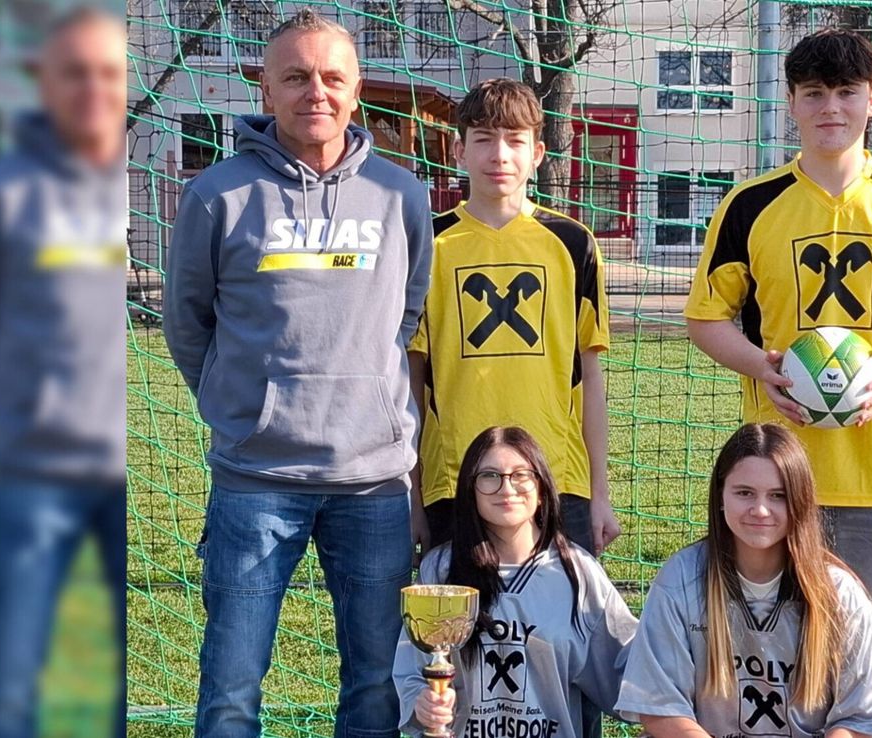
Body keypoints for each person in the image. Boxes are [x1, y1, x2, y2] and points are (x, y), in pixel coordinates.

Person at [682, 29, 872, 738]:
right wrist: (763, 365)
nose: (830, 108)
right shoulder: (753, 204)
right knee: (784, 663)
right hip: (778, 481)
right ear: (791, 103)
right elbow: (705, 317)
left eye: (846, 92)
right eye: (813, 94)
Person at [161, 8, 433, 737]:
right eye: (296, 76)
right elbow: (188, 324)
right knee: (229, 689)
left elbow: (404, 318)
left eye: (332, 77)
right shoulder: (216, 194)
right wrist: (245, 404)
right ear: (267, 88)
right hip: (256, 481)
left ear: (355, 90)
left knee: (375, 686)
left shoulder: (402, 196)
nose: (316, 91)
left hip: (372, 483)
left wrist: (365, 397)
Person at [0, 8, 128, 738]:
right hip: (32, 470)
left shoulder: (155, 186)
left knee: (123, 670)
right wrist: (16, 400)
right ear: (42, 82)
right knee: (12, 673)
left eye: (108, 72)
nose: (92, 87)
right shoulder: (0, 190)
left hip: (127, 477)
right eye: (73, 71)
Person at [406, 78, 620, 561]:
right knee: (462, 628)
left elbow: (590, 375)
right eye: (483, 139)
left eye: (515, 140)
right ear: (458, 150)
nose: (499, 155)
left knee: (564, 627)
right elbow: (411, 381)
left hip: (558, 476)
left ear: (539, 152)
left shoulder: (573, 243)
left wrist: (600, 493)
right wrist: (414, 496)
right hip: (456, 477)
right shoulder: (429, 244)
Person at [614, 423, 872, 737]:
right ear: (721, 495)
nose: (760, 509)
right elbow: (661, 710)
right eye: (744, 493)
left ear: (800, 502)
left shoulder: (839, 595)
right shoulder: (682, 580)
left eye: (777, 496)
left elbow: (862, 719)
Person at [394, 426, 637, 736]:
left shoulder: (577, 571)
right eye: (489, 476)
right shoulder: (441, 570)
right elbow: (411, 670)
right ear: (470, 491)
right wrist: (422, 703)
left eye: (521, 475)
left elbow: (627, 668)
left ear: (542, 489)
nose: (506, 488)